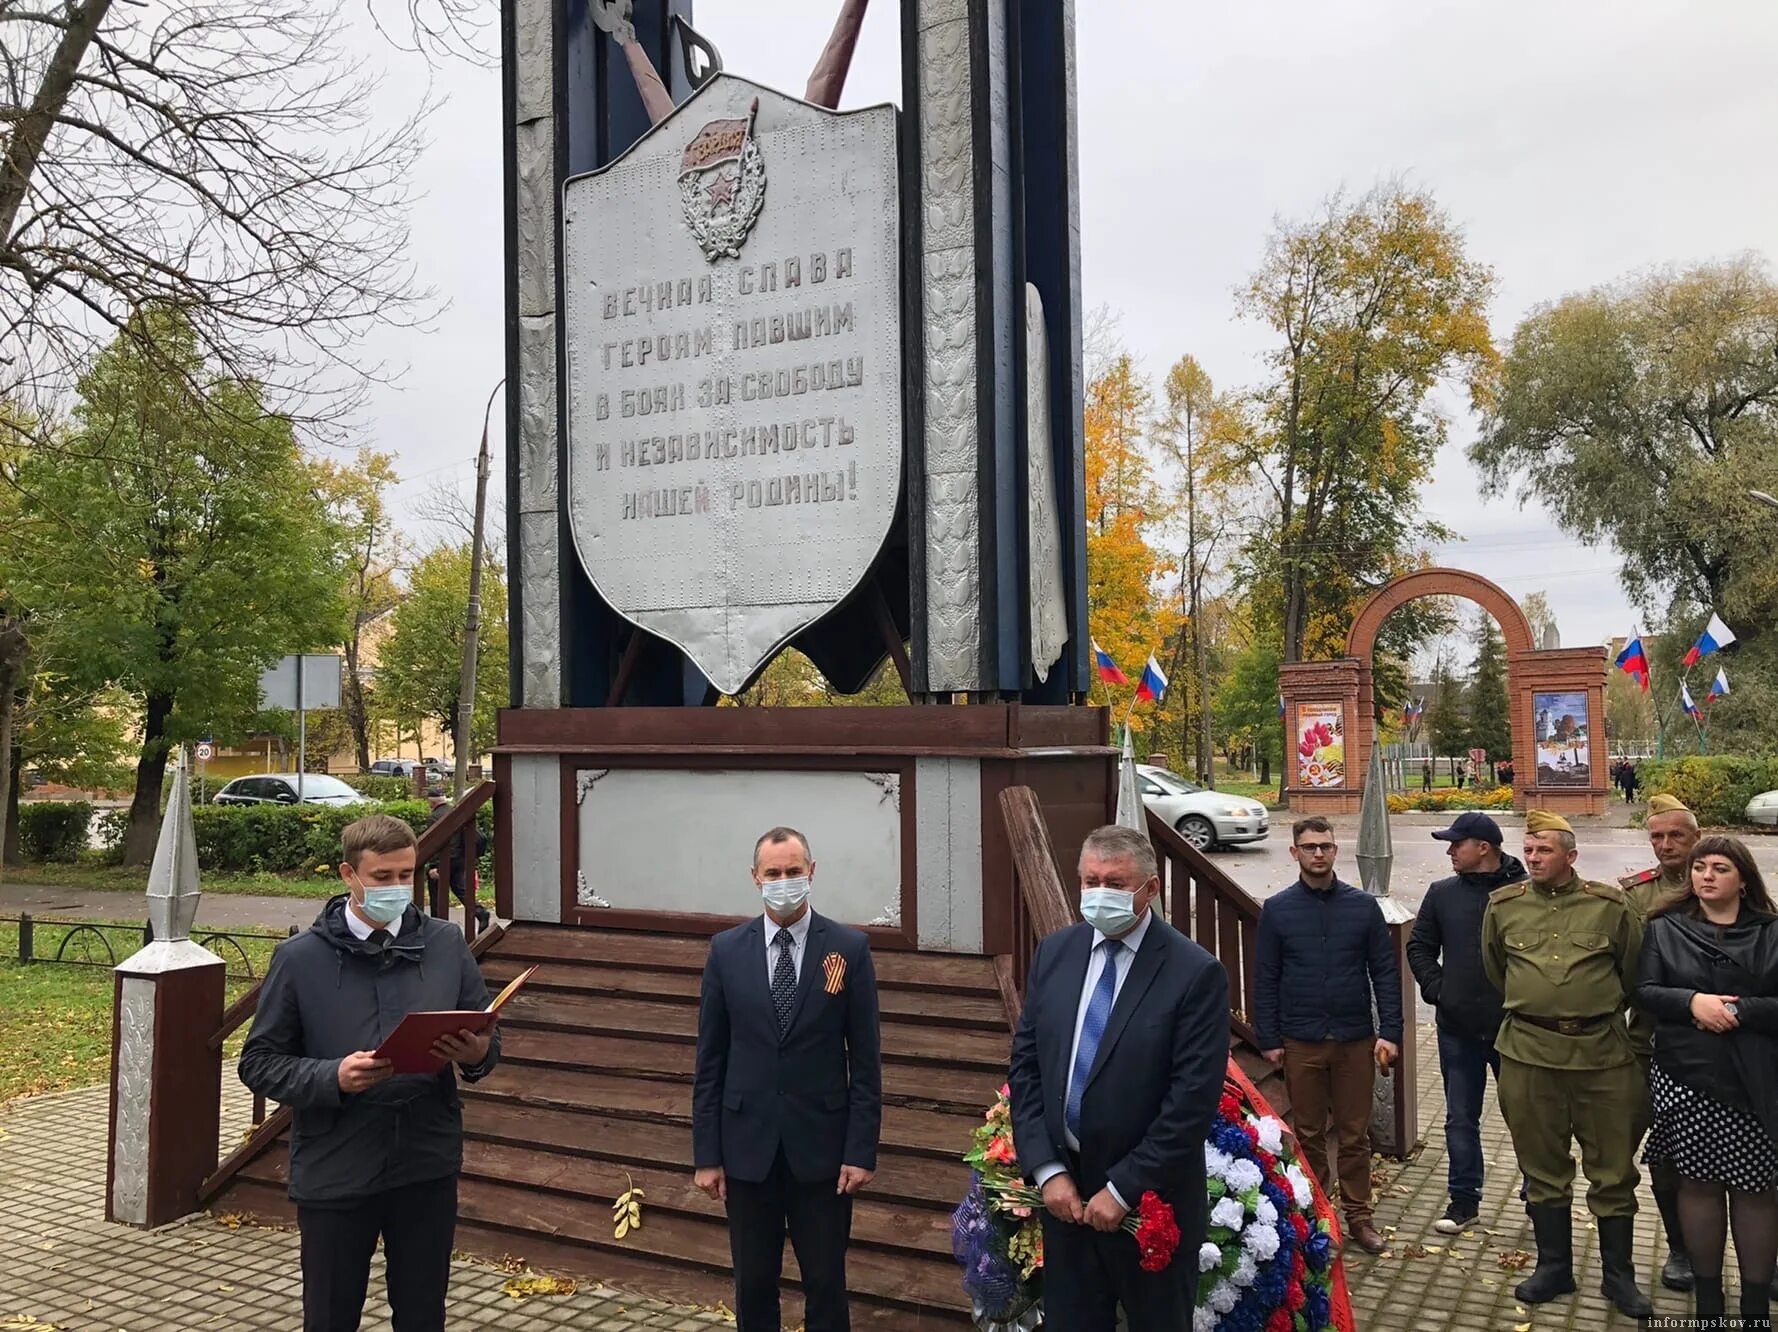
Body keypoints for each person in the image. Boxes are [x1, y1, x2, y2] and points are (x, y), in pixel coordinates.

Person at [240, 814, 499, 1332]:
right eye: (383, 877)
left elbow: (487, 1040)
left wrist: (473, 1054)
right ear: (348, 876)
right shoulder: (300, 959)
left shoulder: (446, 945)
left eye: (407, 875)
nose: (398, 888)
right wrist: (332, 1076)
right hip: (337, 1167)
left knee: (423, 1313)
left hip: (425, 1161)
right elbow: (259, 1062)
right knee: (332, 1316)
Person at [1008, 824, 1229, 1329]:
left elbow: (1191, 1102)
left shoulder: (1193, 973)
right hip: (1064, 1200)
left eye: (1114, 883)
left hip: (1149, 1205)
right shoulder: (1056, 953)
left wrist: (1124, 1188)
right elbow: (1026, 1067)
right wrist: (1046, 1168)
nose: (1098, 894)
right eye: (1089, 881)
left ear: (1150, 889)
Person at [691, 826, 882, 1332]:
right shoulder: (726, 951)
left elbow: (865, 1063)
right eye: (773, 873)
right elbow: (709, 1061)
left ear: (811, 872)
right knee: (753, 1286)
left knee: (825, 1283)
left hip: (822, 1155)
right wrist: (707, 1155)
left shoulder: (849, 949)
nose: (783, 881)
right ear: (755, 878)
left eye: (793, 872)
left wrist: (860, 1151)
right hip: (747, 1152)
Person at [1482, 810, 1651, 1318]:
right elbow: (1497, 969)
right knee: (1541, 1167)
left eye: (1544, 850)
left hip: (1602, 1056)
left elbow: (1634, 972)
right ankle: (1554, 1267)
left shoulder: (1609, 906)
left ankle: (1619, 1277)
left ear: (1571, 856)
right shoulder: (1503, 906)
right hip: (1529, 1056)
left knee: (1615, 1170)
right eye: (1529, 850)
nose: (1532, 858)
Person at [1637, 836, 1778, 1331]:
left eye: (1720, 867)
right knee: (1696, 1184)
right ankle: (1709, 1304)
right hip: (1686, 1075)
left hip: (1755, 1080)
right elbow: (1645, 990)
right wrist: (1692, 1002)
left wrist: (1736, 1010)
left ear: (1743, 877)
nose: (1707, 876)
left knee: (1755, 1189)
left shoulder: (1772, 932)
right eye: (1700, 868)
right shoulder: (1664, 927)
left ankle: (1756, 1307)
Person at [1255, 817, 1402, 1255]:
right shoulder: (1278, 910)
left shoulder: (1362, 907)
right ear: (1294, 853)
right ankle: (1317, 1217)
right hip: (1301, 1040)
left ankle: (1360, 1217)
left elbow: (1385, 974)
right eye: (1309, 847)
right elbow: (1266, 977)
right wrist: (1269, 1037)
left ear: (1336, 851)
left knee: (1355, 1135)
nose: (1318, 853)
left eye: (1326, 846)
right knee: (1310, 1134)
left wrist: (1389, 1032)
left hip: (1355, 1039)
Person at [1405, 812, 1527, 1235]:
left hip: (1515, 1028)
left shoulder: (1524, 893)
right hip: (1457, 1028)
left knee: (1527, 1117)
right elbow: (1419, 947)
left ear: (1484, 848)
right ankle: (1463, 1201)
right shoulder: (1442, 894)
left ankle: (1538, 1197)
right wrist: (1439, 989)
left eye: (1457, 843)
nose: (1450, 850)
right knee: (1460, 1117)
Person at [1619, 791, 1703, 1290]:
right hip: (1649, 1045)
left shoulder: (1725, 882)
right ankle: (1680, 1248)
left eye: (1676, 836)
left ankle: (1759, 1255)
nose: (1666, 845)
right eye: (1657, 836)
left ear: (1697, 837)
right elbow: (1622, 967)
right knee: (1665, 1155)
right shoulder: (1636, 895)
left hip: (1720, 1047)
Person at [423, 785, 491, 931]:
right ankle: (480, 912)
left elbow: (438, 843)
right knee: (461, 890)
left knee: (437, 895)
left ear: (431, 801)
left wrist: (436, 866)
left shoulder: (435, 817)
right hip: (461, 860)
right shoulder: (454, 811)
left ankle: (436, 926)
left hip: (447, 861)